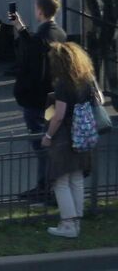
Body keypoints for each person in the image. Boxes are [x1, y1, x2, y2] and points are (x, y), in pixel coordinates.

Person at [41, 41, 102, 239]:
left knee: (61, 181)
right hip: (84, 134)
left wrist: (48, 136)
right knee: (76, 179)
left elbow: (58, 115)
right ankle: (76, 222)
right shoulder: (87, 78)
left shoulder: (63, 84)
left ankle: (67, 224)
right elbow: (99, 100)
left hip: (65, 136)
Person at [11, 0, 68, 199]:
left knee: (41, 141)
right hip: (52, 96)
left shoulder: (41, 37)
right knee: (49, 136)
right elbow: (35, 46)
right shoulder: (58, 33)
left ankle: (45, 186)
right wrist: (21, 27)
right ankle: (48, 185)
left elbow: (30, 54)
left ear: (41, 10)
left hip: (36, 99)